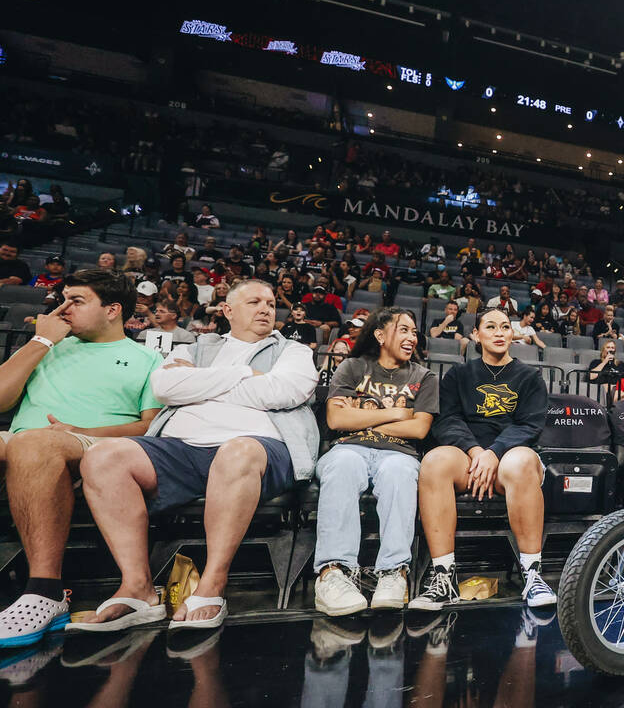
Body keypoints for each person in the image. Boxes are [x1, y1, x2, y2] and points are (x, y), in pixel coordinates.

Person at [74, 279, 318, 631]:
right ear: (228, 311)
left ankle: (212, 583)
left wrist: (199, 386)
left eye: (269, 302)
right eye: (254, 302)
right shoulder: (195, 346)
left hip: (258, 447)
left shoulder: (293, 352)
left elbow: (280, 392)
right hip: (181, 448)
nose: (266, 308)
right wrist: (244, 374)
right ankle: (137, 587)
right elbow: (165, 387)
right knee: (102, 457)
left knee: (237, 451)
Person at [0, 270, 163, 647]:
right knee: (31, 443)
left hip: (94, 447)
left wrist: (81, 433)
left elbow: (149, 428)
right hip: (22, 440)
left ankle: (45, 592)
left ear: (113, 310)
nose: (63, 308)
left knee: (35, 444)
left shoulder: (147, 359)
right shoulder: (48, 346)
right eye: (63, 299)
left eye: (77, 301)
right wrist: (41, 340)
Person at [410, 309, 555, 610]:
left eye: (505, 327)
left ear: (513, 335)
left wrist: (493, 453)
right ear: (476, 335)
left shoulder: (530, 377)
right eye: (491, 327)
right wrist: (477, 452)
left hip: (509, 459)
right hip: (469, 457)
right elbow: (447, 420)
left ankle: (532, 574)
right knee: (434, 462)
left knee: (521, 462)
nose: (500, 332)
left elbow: (530, 425)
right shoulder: (458, 375)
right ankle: (443, 577)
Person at [313, 309, 439, 616]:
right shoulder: (353, 367)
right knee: (343, 466)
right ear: (380, 335)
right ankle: (334, 573)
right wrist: (396, 413)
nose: (411, 338)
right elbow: (336, 418)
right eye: (403, 330)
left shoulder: (425, 377)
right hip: (348, 448)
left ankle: (394, 573)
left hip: (400, 453)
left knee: (398, 472)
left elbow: (419, 428)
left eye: (414, 332)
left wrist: (361, 419)